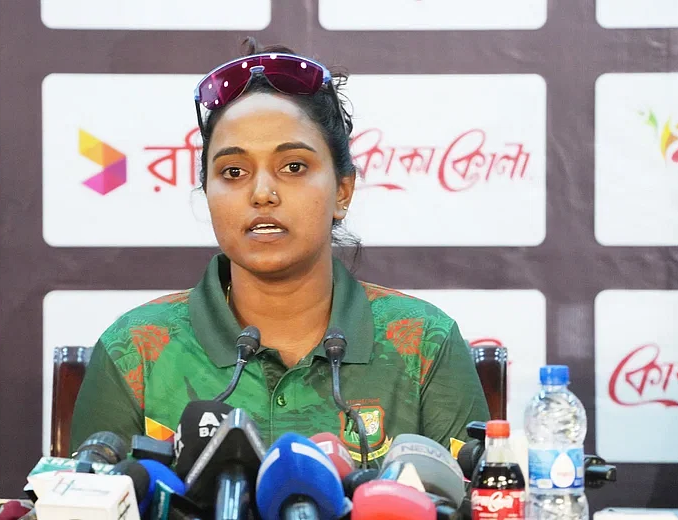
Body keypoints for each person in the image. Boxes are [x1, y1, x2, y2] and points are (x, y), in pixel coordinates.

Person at [69, 38, 490, 464]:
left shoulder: (424, 341)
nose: (262, 193)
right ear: (207, 193)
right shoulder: (136, 348)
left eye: (293, 167)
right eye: (233, 171)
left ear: (342, 192)